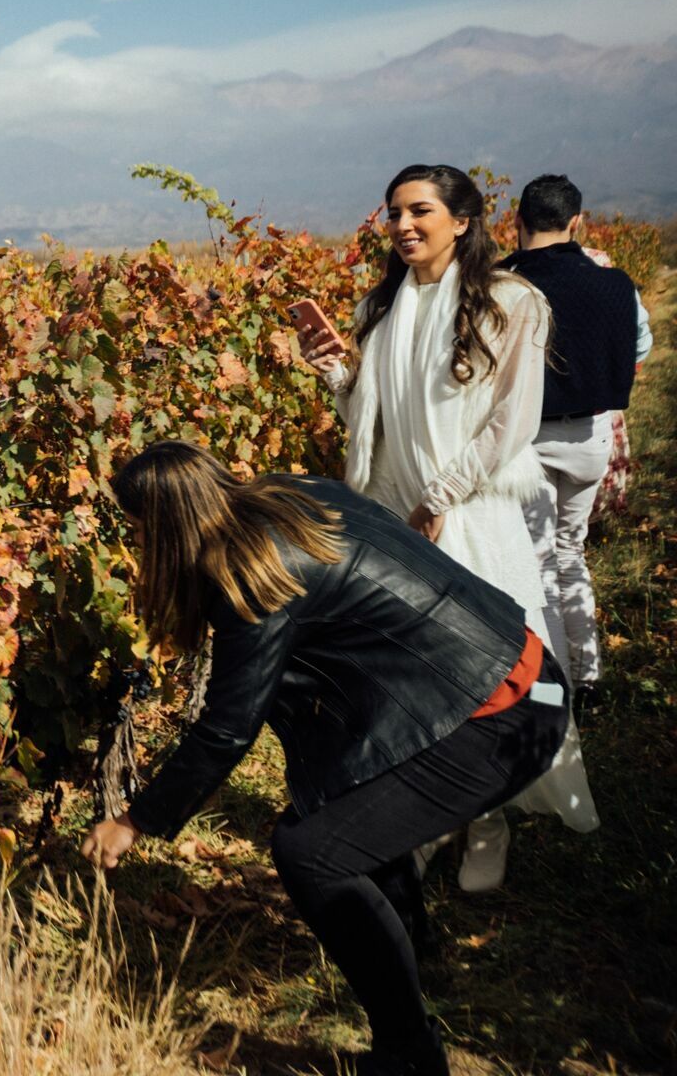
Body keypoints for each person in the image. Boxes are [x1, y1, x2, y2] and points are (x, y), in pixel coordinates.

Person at [84, 441, 570, 1076]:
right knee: (349, 812)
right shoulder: (285, 497)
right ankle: (417, 961)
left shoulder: (252, 576)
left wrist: (135, 819)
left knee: (313, 852)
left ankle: (408, 1053)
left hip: (497, 711)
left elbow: (227, 730)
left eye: (142, 527)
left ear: (172, 524)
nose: (138, 541)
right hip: (511, 669)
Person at [298, 163, 596, 892]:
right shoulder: (385, 304)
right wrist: (337, 375)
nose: (402, 224)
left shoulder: (510, 300)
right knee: (412, 677)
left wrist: (442, 495)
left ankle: (489, 822)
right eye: (393, 212)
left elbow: (512, 421)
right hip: (397, 511)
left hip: (466, 511)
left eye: (419, 210)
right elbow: (374, 425)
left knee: (493, 674)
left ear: (463, 220)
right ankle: (432, 818)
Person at [497, 175, 650, 689]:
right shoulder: (615, 283)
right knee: (569, 552)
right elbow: (640, 348)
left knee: (537, 561)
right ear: (576, 223)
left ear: (517, 222)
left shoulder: (502, 286)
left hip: (527, 441)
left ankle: (555, 682)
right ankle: (587, 675)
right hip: (590, 437)